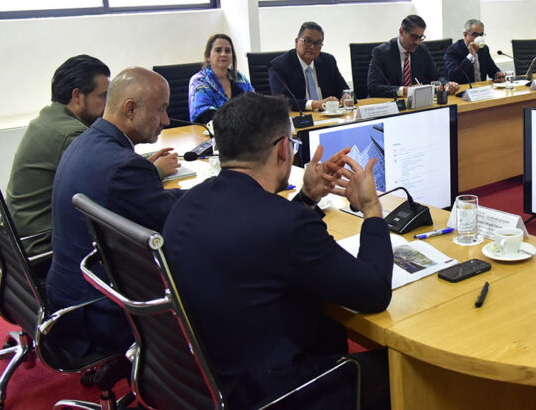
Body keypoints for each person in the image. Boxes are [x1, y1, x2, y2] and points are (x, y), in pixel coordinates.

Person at [163, 93, 392, 409]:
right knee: (413, 375)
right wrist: (371, 208)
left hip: (209, 379)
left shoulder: (186, 203)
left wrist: (307, 197)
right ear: (284, 149)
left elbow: (262, 239)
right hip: (275, 392)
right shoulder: (287, 224)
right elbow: (375, 291)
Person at [47, 67, 182, 357]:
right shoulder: (123, 167)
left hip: (70, 295)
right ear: (130, 109)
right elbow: (177, 225)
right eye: (161, 109)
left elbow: (150, 203)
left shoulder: (86, 141)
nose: (166, 120)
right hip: (101, 309)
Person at [5, 55, 110, 258]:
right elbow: (112, 184)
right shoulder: (72, 134)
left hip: (21, 240)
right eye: (102, 96)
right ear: (77, 96)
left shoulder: (46, 119)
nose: (107, 105)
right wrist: (156, 170)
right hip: (43, 247)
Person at [367, 15, 458, 98]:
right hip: (390, 102)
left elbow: (436, 77)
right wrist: (405, 90)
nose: (417, 42)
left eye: (420, 37)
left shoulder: (422, 49)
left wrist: (446, 84)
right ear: (401, 32)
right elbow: (373, 87)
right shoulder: (381, 52)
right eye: (414, 37)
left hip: (417, 102)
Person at [269, 21, 350, 112]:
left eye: (317, 43)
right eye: (307, 41)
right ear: (296, 42)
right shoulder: (279, 66)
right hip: (300, 117)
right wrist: (315, 104)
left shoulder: (328, 61)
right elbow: (282, 102)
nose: (312, 47)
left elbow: (344, 89)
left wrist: (346, 96)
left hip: (329, 116)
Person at [188, 33, 255, 123]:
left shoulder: (239, 78)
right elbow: (205, 115)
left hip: (240, 128)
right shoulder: (199, 81)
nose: (223, 54)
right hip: (210, 130)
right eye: (218, 50)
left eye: (227, 51)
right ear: (208, 56)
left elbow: (254, 103)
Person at [444, 19, 504, 85]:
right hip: (463, 89)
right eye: (475, 34)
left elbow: (492, 69)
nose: (479, 38)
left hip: (482, 88)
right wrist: (470, 56)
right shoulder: (453, 50)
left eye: (481, 35)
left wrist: (498, 74)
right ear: (465, 34)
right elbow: (453, 76)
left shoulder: (483, 49)